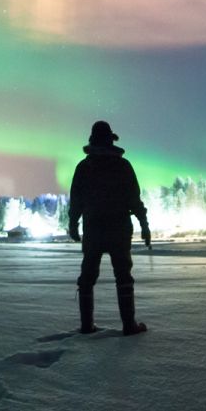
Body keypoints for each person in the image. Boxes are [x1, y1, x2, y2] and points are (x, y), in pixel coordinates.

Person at [67, 120, 150, 336]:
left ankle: (87, 326)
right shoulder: (123, 166)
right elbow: (134, 200)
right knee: (123, 276)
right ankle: (129, 325)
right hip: (119, 230)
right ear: (111, 139)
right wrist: (144, 224)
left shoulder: (84, 167)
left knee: (87, 277)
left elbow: (76, 201)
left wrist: (73, 224)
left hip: (93, 230)